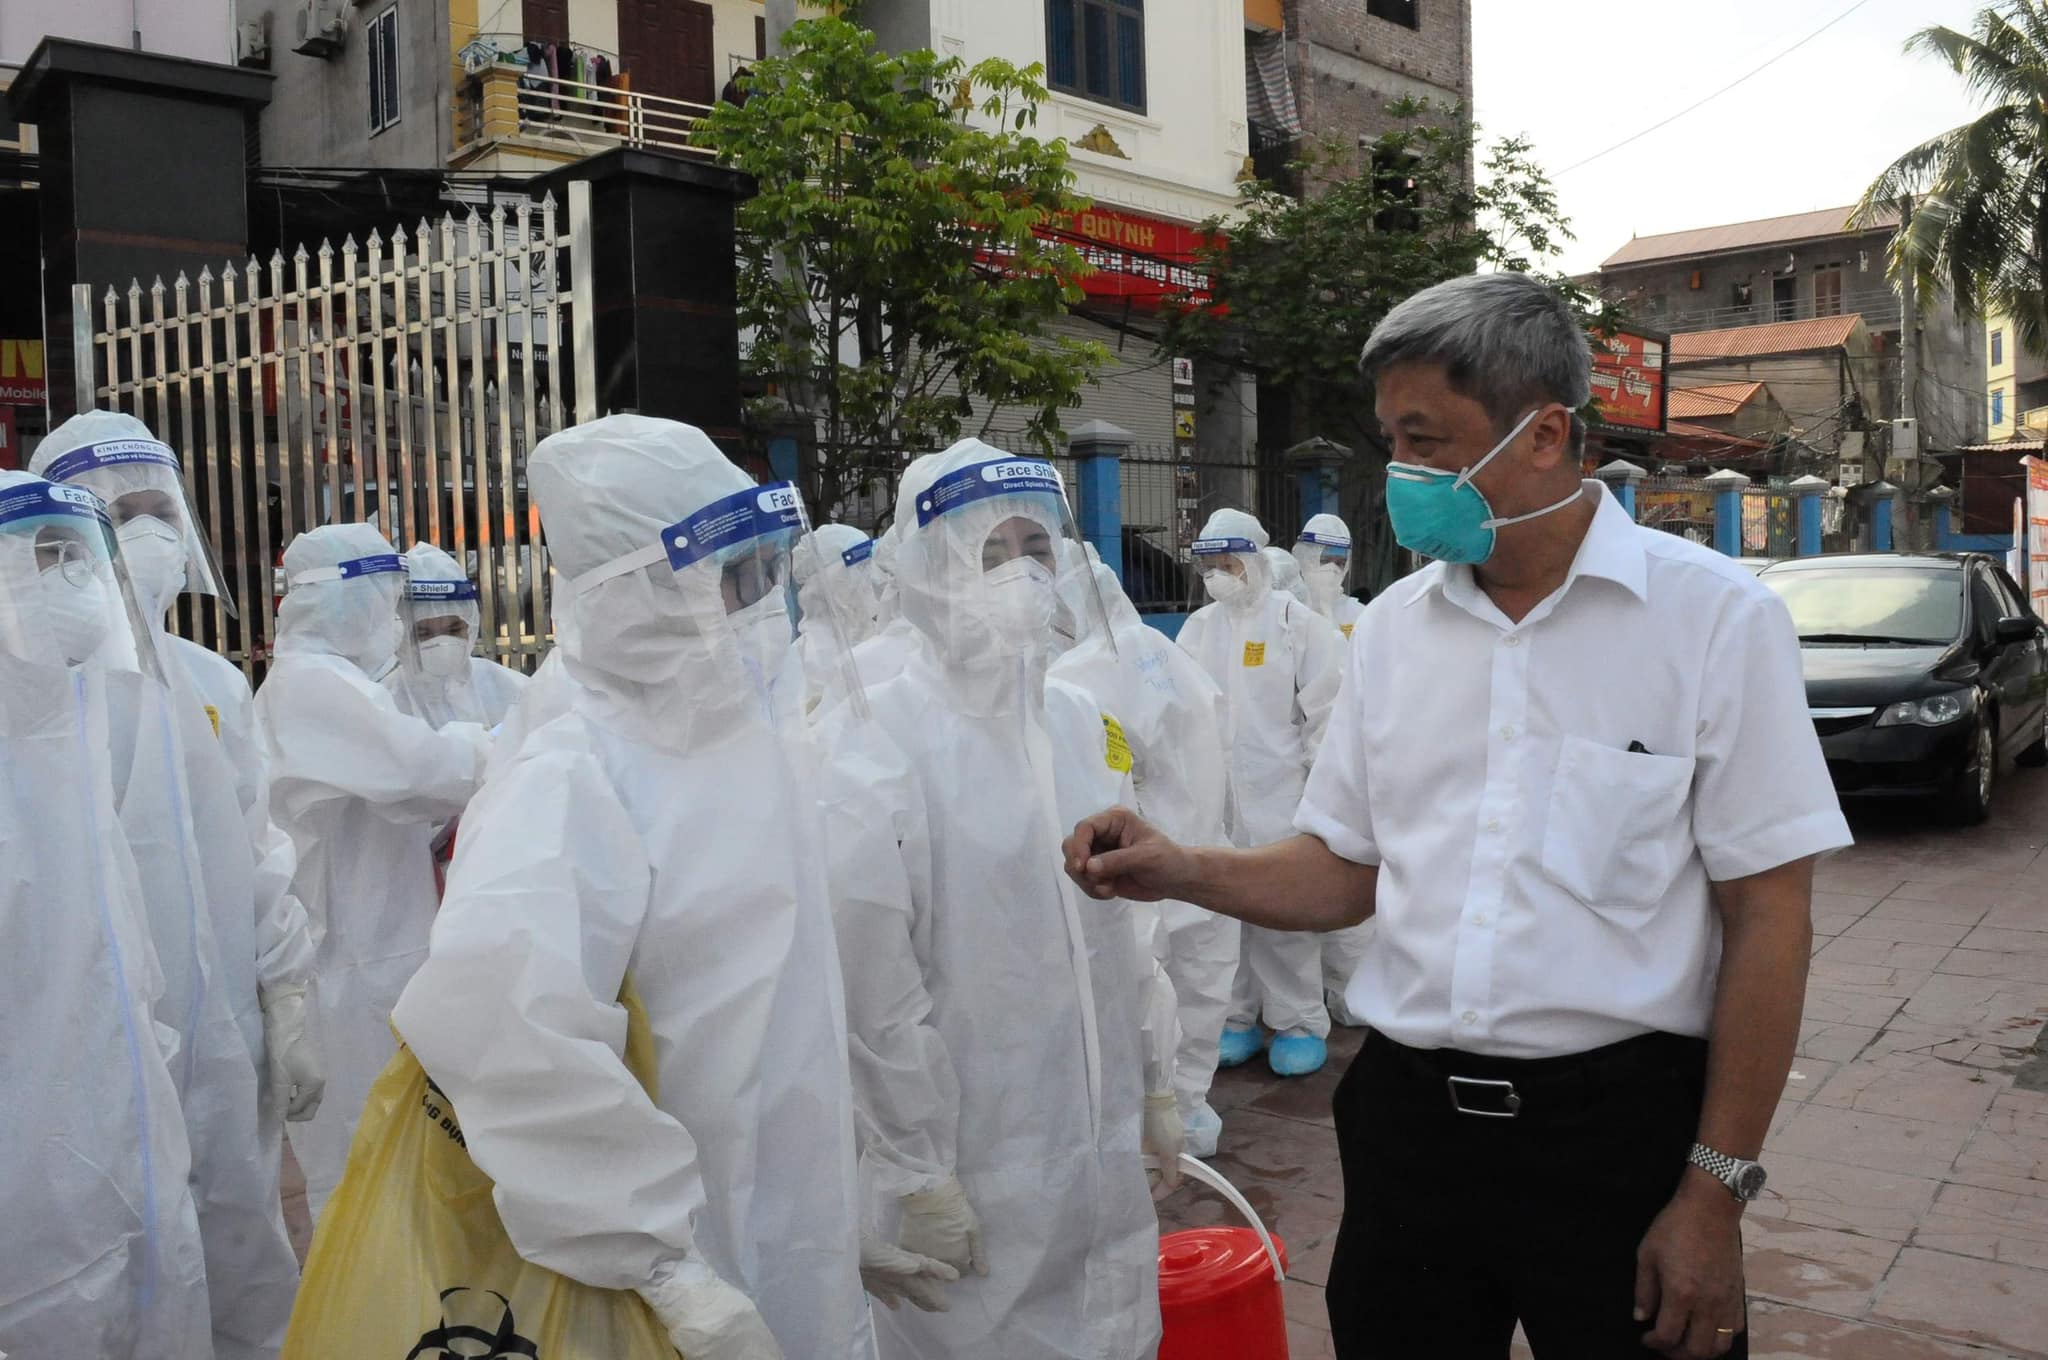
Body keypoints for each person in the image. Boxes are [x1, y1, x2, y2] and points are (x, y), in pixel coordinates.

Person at [1065, 272, 1851, 1360]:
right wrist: (1180, 867)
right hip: (1408, 1128)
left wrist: (1713, 1193)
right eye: (1389, 438)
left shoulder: (1713, 622)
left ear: (1543, 434)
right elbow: (1344, 866)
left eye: (1426, 439)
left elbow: (1769, 916)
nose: (1401, 475)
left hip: (1616, 1135)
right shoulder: (1392, 632)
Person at [393, 415, 911, 1360]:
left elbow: (787, 997)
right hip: (671, 1270)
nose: (756, 602)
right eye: (725, 575)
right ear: (629, 587)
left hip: (786, 1221)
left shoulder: (743, 733)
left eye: (761, 571)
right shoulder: (572, 763)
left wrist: (839, 1205)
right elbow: (502, 1026)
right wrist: (664, 1265)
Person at [826, 437, 1180, 1359]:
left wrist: (1155, 1079)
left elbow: (1126, 929)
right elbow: (873, 988)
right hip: (976, 1159)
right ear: (927, 568)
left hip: (1096, 1153)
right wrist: (914, 1170)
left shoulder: (1073, 722)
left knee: (1117, 1330)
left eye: (1036, 549)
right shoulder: (880, 739)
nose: (1021, 575)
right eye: (991, 553)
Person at [33, 415, 310, 1358]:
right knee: (134, 1261)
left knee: (245, 1243)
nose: (149, 532)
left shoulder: (209, 683)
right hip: (105, 1040)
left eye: (162, 510)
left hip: (222, 1022)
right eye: (124, 514)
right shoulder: (41, 694)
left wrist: (288, 983)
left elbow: (257, 838)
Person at [0, 470, 213, 1359]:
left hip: (129, 1167)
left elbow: (123, 958)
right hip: (32, 1221)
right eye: (44, 558)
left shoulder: (77, 733)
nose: (72, 582)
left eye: (79, 558)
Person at [255, 523, 492, 1219]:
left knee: (399, 1171)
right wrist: (515, 740)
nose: (396, 620)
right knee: (366, 1178)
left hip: (376, 957)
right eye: (387, 599)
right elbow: (423, 771)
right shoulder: (312, 685)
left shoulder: (340, 684)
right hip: (350, 968)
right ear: (343, 598)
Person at [1051, 546, 1236, 1158]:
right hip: (1204, 848)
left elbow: (1097, 782)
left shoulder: (1077, 675)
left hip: (1142, 862)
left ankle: (1154, 1110)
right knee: (1203, 984)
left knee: (1147, 991)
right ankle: (1191, 1108)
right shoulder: (1169, 653)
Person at [1176, 508, 1342, 1077]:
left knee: (1282, 917)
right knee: (1226, 914)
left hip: (1283, 799)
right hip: (1218, 800)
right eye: (1209, 566)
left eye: (1228, 564)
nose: (1218, 576)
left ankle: (1298, 1024)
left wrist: (1322, 796)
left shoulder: (1299, 625)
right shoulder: (1200, 628)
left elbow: (1328, 715)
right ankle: (1237, 1018)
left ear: (1252, 560)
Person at [1292, 511, 1374, 1026]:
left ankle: (1354, 990)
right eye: (1320, 557)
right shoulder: (1283, 614)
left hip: (1352, 765)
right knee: (1299, 881)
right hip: (1289, 772)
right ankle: (1307, 993)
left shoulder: (1363, 615)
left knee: (1349, 872)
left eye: (1338, 560)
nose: (1328, 568)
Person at [384, 541, 529, 729]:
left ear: (470, 625)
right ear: (402, 635)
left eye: (453, 630)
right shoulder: (386, 703)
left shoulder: (510, 688)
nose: (441, 642)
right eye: (424, 633)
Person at [794, 522, 881, 714]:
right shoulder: (805, 659)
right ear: (828, 581)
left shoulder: (876, 633)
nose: (870, 576)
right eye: (861, 566)